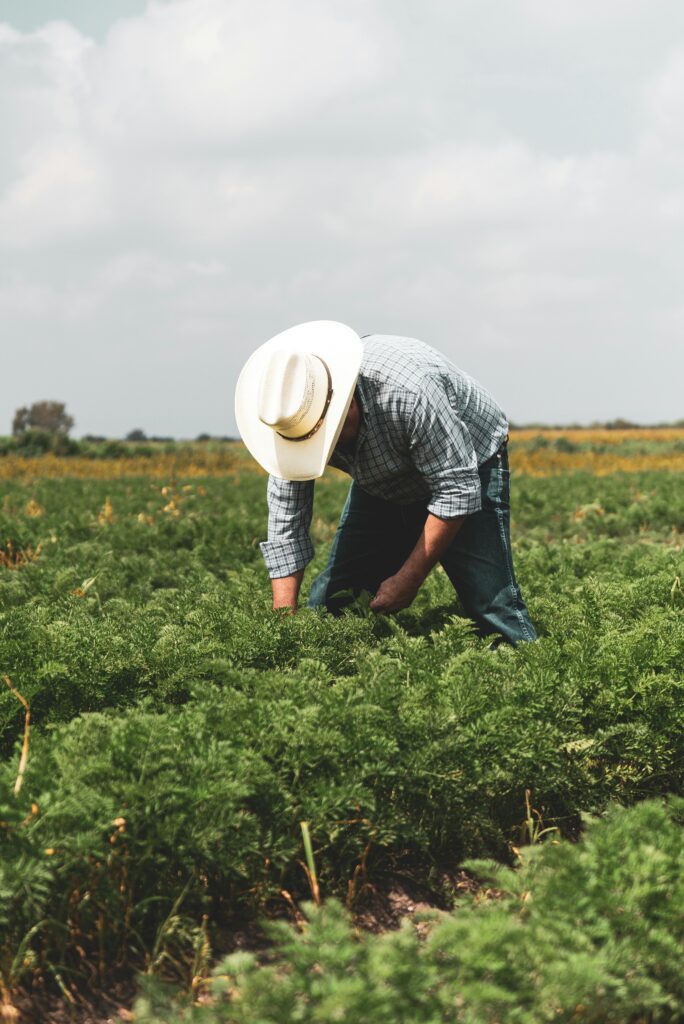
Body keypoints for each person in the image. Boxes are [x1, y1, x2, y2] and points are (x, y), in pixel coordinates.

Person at [235, 320, 537, 645]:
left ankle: (526, 661)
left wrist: (409, 578)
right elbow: (286, 526)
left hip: (469, 461)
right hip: (381, 478)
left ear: (344, 401)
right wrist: (283, 627)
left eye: (327, 434)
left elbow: (456, 490)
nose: (327, 445)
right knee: (333, 602)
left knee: (490, 603)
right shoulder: (289, 418)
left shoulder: (408, 394)